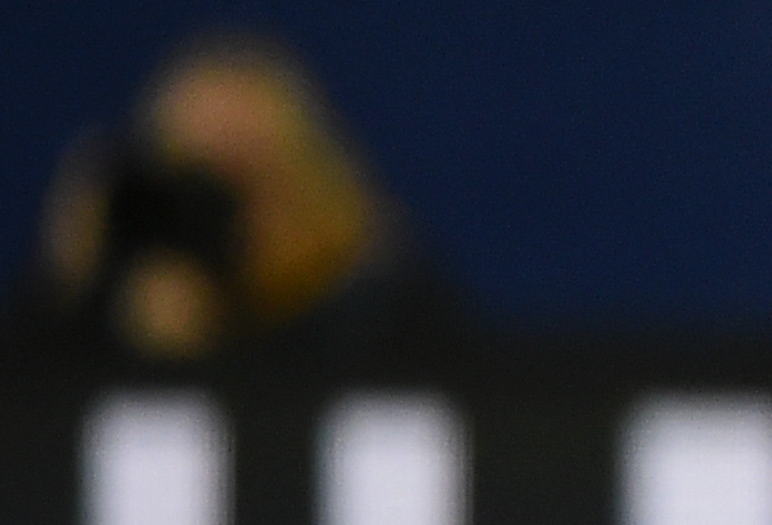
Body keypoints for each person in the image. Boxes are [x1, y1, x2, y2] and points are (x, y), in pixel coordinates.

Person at [28, 34, 457, 365]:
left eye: (251, 176)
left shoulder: (390, 311)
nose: (228, 214)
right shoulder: (106, 298)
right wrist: (78, 288)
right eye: (199, 184)